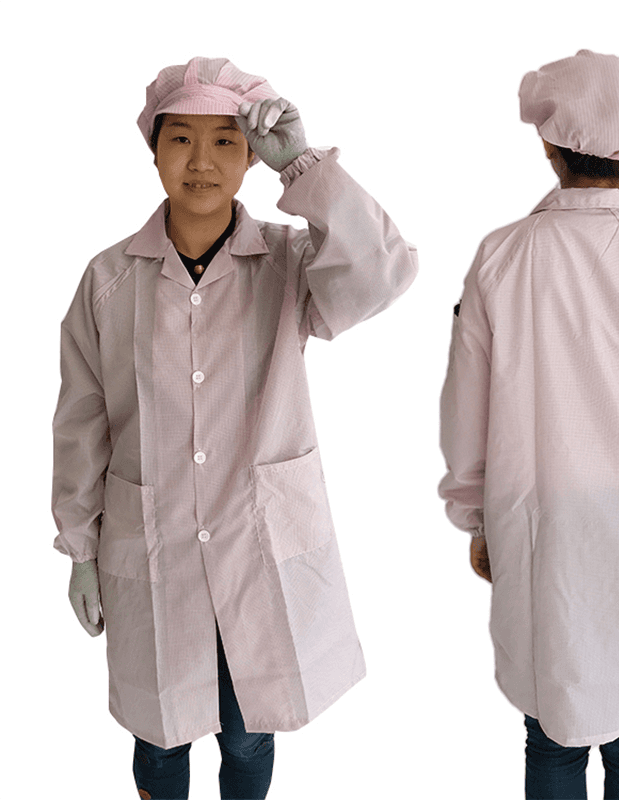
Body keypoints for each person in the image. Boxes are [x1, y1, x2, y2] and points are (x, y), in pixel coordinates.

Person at [52, 56, 417, 800]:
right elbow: (81, 421)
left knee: (249, 729)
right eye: (181, 139)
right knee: (159, 736)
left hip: (257, 542)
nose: (202, 161)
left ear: (251, 156)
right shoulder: (109, 281)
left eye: (225, 141)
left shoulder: (289, 263)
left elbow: (385, 272)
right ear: (153, 150)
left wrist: (304, 168)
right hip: (154, 544)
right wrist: (79, 548)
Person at [438, 50, 619, 800]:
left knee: (551, 728)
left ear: (547, 143)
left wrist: (475, 514)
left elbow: (465, 404)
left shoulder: (501, 257)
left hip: (534, 515)